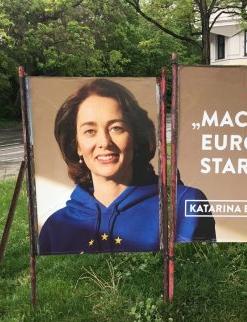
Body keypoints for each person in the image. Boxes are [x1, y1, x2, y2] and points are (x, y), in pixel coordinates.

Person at [39, 79, 214, 254]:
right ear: (76, 145)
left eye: (116, 128)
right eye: (90, 131)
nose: (104, 142)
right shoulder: (55, 229)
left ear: (136, 137)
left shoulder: (183, 205)